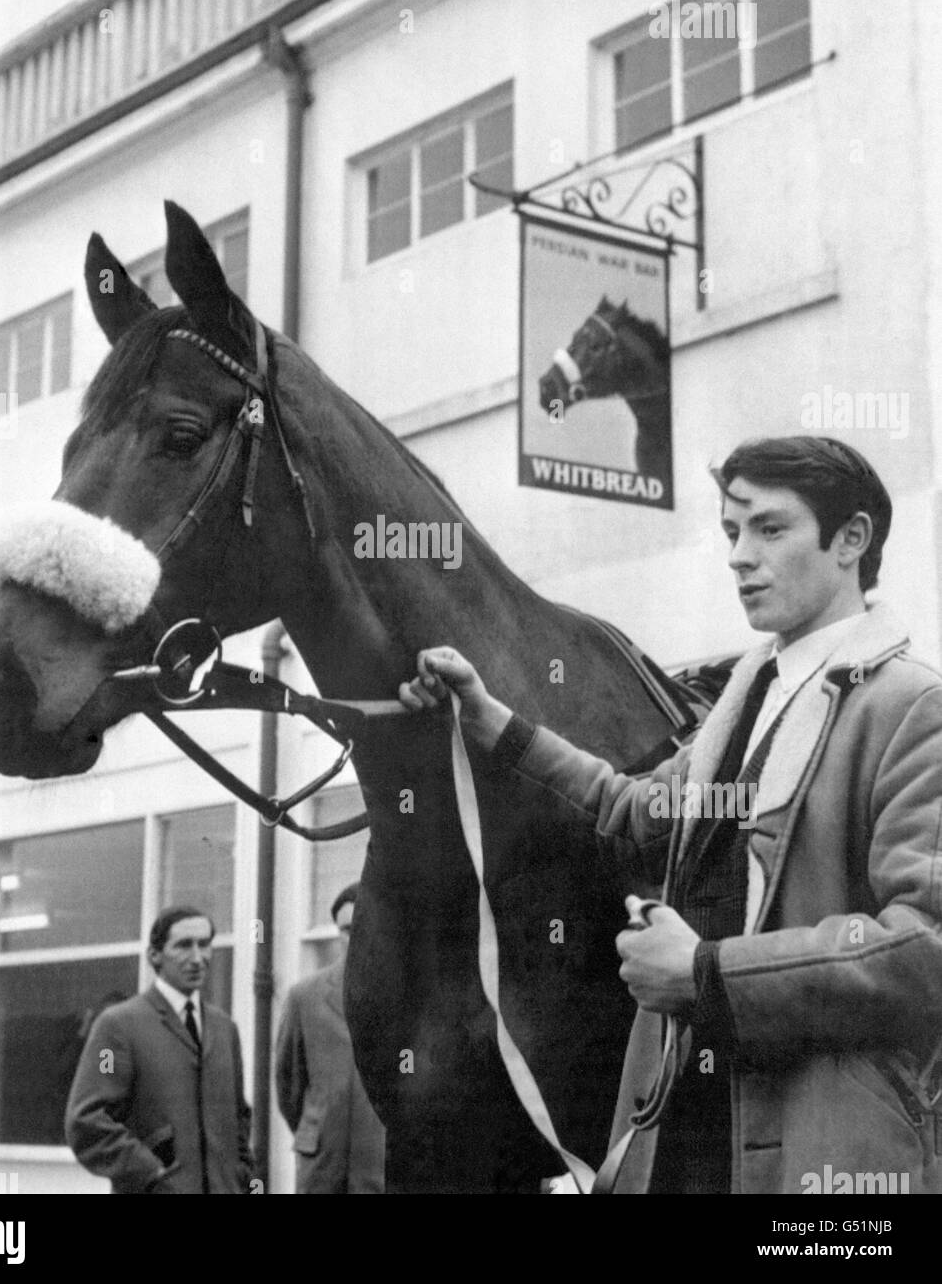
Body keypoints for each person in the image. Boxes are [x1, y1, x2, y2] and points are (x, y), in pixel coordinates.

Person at [399, 436, 942, 1195]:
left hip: (826, 1164)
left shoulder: (913, 707)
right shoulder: (746, 704)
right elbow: (627, 806)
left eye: (770, 529)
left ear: (851, 539)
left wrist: (705, 973)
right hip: (682, 1138)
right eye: (730, 532)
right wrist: (494, 724)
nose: (739, 556)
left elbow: (924, 953)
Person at [65, 906, 254, 1194]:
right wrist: (151, 1174)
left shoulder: (224, 1028)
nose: (197, 958)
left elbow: (239, 1117)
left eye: (204, 945)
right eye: (183, 946)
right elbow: (88, 1120)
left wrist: (243, 1175)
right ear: (154, 955)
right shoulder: (116, 1027)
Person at [275, 883, 386, 1193]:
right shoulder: (305, 997)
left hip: (385, 1166)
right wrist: (321, 1128)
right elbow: (289, 1086)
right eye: (349, 929)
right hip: (323, 1167)